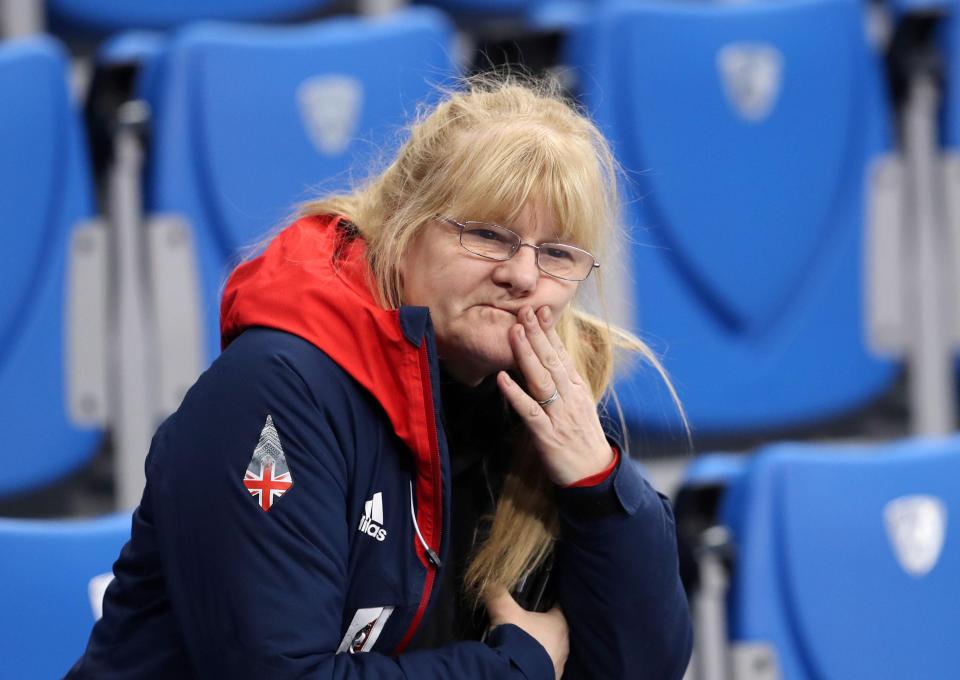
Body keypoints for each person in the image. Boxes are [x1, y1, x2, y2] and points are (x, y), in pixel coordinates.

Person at [69, 77, 692, 679]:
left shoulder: (550, 399)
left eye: (557, 254)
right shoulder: (278, 391)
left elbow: (638, 666)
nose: (523, 276)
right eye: (487, 236)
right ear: (402, 227)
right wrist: (511, 669)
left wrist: (598, 486)